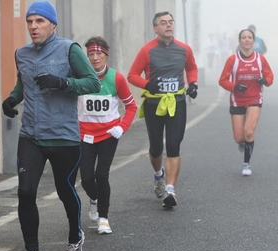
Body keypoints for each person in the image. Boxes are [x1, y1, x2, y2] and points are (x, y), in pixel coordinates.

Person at [1, 1, 101, 251]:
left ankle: (74, 240)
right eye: (30, 22)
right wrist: (11, 100)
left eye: (40, 21)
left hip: (63, 135)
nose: (33, 27)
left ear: (52, 24)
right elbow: (22, 84)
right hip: (31, 135)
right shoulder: (22, 53)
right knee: (25, 191)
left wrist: (62, 82)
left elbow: (93, 82)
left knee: (65, 190)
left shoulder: (69, 49)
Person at [127, 11, 198, 209]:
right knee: (156, 148)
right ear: (156, 28)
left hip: (177, 102)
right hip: (154, 104)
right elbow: (132, 75)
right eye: (163, 23)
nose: (168, 25)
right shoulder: (147, 50)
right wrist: (148, 85)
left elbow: (192, 68)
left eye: (170, 22)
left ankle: (170, 189)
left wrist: (193, 84)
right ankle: (159, 175)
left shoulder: (184, 49)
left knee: (174, 146)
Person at [78, 36, 137, 234]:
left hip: (108, 134)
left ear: (106, 56)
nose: (95, 58)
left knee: (101, 175)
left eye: (99, 54)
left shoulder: (116, 78)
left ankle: (103, 218)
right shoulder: (80, 77)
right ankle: (94, 199)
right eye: (91, 54)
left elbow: (131, 106)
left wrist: (122, 127)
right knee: (86, 179)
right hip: (84, 136)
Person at [219, 29, 274, 176]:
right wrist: (235, 87)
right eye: (244, 37)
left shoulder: (260, 59)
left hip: (255, 98)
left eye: (250, 37)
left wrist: (265, 81)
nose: (247, 40)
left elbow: (270, 77)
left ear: (254, 41)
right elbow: (222, 81)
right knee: (239, 137)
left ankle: (246, 164)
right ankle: (244, 143)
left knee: (249, 131)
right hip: (237, 100)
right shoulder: (233, 59)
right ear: (239, 41)